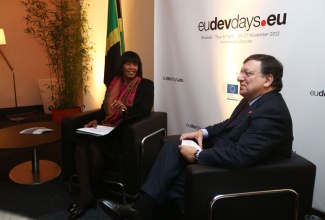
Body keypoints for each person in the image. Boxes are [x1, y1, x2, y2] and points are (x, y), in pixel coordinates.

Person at [98, 54, 293, 220]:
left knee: (173, 177)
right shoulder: (252, 101)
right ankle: (142, 208)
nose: (239, 77)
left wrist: (198, 156)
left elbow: (241, 155)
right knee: (172, 146)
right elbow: (227, 125)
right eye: (241, 72)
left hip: (238, 174)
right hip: (221, 154)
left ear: (268, 80)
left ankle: (141, 210)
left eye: (247, 73)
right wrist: (203, 132)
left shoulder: (271, 111)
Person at [67, 51, 154, 220]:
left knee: (94, 145)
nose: (131, 67)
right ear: (121, 67)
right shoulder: (114, 83)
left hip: (123, 131)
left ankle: (85, 196)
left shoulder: (145, 85)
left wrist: (125, 109)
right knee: (82, 142)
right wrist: (95, 121)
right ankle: (87, 194)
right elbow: (104, 110)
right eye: (128, 63)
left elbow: (144, 110)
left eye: (135, 64)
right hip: (106, 127)